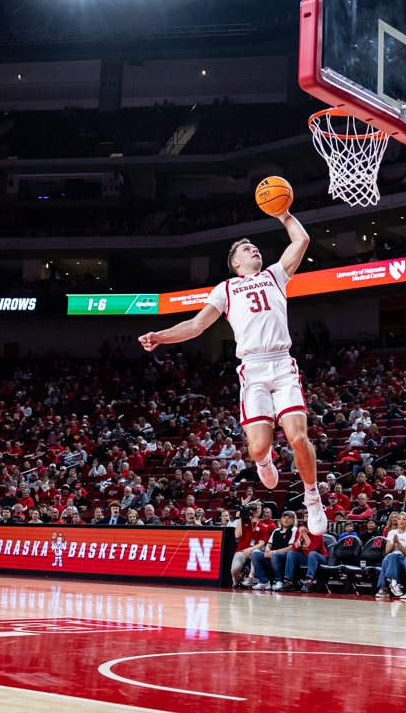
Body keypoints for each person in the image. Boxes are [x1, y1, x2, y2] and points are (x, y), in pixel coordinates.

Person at [138, 212, 326, 535]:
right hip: (252, 370)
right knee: (257, 447)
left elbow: (302, 240)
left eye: (255, 247)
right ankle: (263, 462)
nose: (254, 250)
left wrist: (284, 214)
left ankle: (312, 496)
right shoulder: (225, 289)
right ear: (236, 263)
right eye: (246, 249)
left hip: (281, 362)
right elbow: (196, 326)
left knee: (297, 436)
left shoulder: (276, 275)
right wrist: (160, 336)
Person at [251, 510, 297, 590]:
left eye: (289, 518)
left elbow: (291, 547)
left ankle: (279, 581)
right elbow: (269, 544)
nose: (286, 520)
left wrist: (274, 552)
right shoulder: (276, 530)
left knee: (275, 556)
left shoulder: (294, 530)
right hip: (273, 554)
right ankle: (263, 581)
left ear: (293, 520)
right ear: (281, 519)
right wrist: (267, 550)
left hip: (285, 556)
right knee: (255, 554)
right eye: (284, 517)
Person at [376, 512, 406, 598]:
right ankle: (393, 582)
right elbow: (387, 551)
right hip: (391, 558)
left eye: (404, 519)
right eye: (399, 519)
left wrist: (398, 543)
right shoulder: (392, 532)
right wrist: (393, 543)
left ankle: (385, 588)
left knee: (390, 558)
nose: (401, 521)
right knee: (388, 558)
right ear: (397, 521)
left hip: (403, 560)